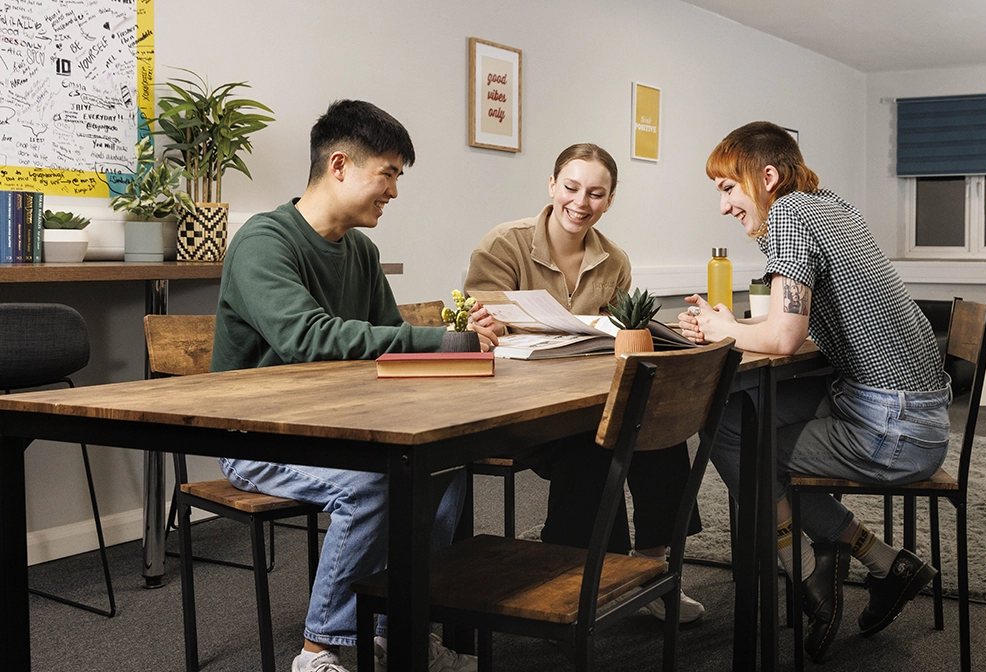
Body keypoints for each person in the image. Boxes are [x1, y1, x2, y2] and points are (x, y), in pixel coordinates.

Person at [212, 100, 494, 672]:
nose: (394, 191)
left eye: (397, 177)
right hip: (257, 435)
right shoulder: (263, 242)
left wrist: (460, 338)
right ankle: (321, 649)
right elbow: (308, 338)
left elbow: (388, 341)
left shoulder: (361, 250)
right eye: (387, 173)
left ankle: (397, 634)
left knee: (445, 465)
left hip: (346, 424)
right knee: (370, 484)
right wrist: (437, 340)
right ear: (339, 165)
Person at [676, 121, 948, 662]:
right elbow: (791, 329)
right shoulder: (829, 206)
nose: (725, 206)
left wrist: (717, 330)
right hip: (910, 409)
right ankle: (879, 562)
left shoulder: (789, 214)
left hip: (892, 427)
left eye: (728, 188)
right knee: (730, 417)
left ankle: (803, 569)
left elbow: (781, 335)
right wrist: (735, 327)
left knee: (745, 446)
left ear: (767, 177)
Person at [463, 143, 707, 623]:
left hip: (586, 396)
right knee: (595, 446)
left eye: (596, 194)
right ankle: (587, 581)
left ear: (610, 200)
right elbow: (482, 329)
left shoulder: (614, 260)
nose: (581, 202)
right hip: (518, 406)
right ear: (552, 185)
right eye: (571, 188)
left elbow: (620, 333)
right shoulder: (503, 244)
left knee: (658, 427)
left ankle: (655, 572)